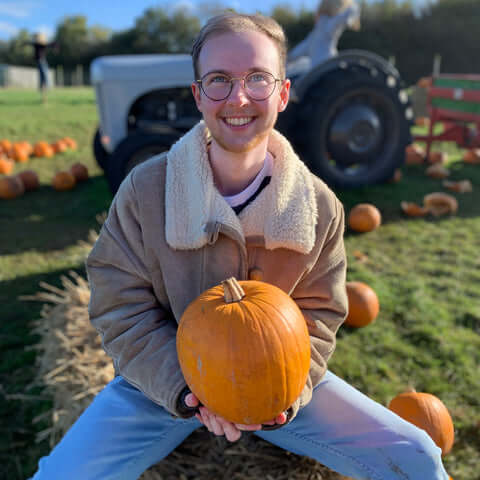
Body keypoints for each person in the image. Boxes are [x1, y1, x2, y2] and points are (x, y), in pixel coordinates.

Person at [30, 12, 449, 480]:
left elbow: (319, 315)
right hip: (165, 384)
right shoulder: (146, 191)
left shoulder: (319, 207)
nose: (239, 97)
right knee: (59, 474)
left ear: (283, 93)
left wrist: (289, 392)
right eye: (219, 80)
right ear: (197, 94)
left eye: (257, 79)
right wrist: (187, 388)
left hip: (278, 386)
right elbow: (118, 303)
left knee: (418, 459)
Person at [287, 0, 361, 77]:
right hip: (327, 68)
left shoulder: (319, 31)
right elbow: (349, 13)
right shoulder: (326, 26)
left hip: (319, 71)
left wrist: (287, 59)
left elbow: (296, 53)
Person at [24, 32, 57, 103]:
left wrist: (54, 45)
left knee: (43, 75)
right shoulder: (37, 44)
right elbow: (31, 43)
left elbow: (50, 44)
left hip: (42, 61)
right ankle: (45, 88)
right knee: (44, 75)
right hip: (40, 61)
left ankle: (43, 88)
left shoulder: (42, 45)